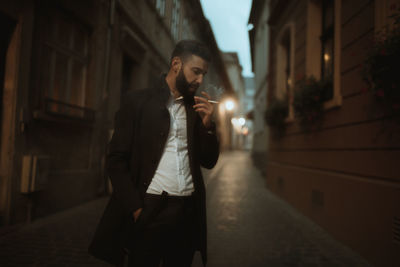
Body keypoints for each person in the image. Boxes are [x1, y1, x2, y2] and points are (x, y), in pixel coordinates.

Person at [88, 40, 220, 267]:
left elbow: (208, 161)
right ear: (176, 64)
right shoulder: (137, 102)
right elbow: (116, 161)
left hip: (187, 212)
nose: (200, 81)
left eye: (203, 74)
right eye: (196, 72)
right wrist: (136, 208)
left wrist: (208, 126)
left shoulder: (196, 109)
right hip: (151, 209)